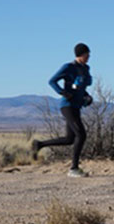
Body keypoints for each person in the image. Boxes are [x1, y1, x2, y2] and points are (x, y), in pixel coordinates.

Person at [32, 43, 94, 177]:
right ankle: (74, 169)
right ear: (81, 54)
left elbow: (81, 87)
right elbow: (52, 81)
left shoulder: (86, 68)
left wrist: (87, 96)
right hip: (67, 106)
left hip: (77, 106)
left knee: (69, 139)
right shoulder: (68, 67)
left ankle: (39, 144)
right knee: (81, 135)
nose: (89, 56)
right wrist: (63, 92)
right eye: (87, 54)